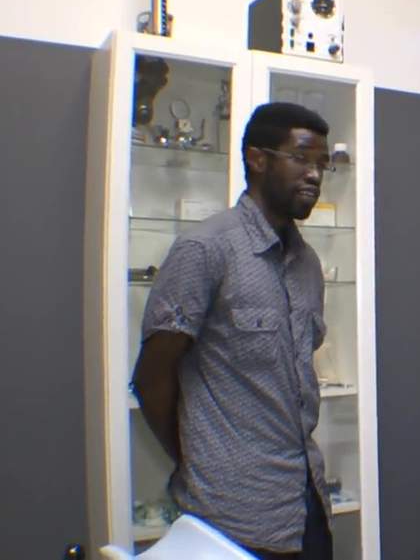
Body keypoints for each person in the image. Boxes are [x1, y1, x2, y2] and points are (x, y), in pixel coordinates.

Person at [132, 102, 335, 560]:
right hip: (231, 515)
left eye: (322, 164)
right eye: (300, 158)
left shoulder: (307, 264)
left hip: (307, 501)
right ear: (257, 159)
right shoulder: (205, 249)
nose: (314, 175)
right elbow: (151, 378)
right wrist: (202, 459)